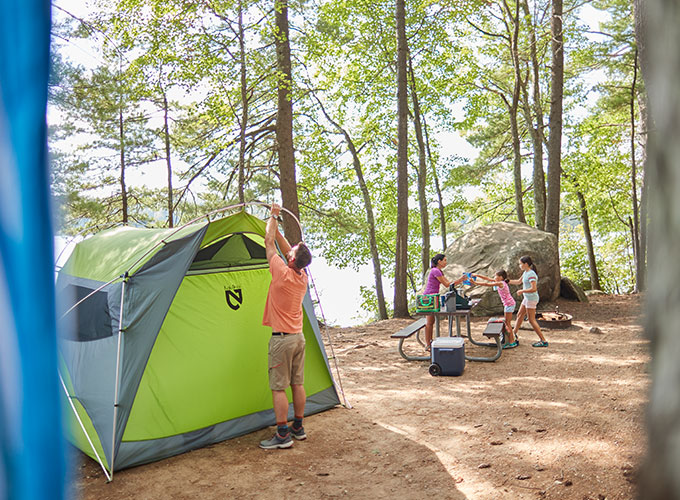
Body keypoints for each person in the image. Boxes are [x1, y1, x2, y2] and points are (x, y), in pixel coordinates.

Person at [259, 203, 313, 449]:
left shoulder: (281, 272)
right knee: (297, 383)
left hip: (281, 340)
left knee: (278, 387)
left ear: (290, 259)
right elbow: (282, 244)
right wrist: (278, 226)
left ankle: (282, 435)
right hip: (298, 338)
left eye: (291, 252)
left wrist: (273, 215)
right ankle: (298, 427)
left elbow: (269, 242)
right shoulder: (302, 277)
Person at [422, 254, 465, 351]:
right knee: (429, 322)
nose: (446, 262)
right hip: (429, 297)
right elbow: (447, 284)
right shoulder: (435, 271)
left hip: (433, 296)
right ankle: (428, 344)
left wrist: (459, 281)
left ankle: (429, 342)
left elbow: (448, 283)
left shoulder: (438, 271)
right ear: (439, 261)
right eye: (444, 260)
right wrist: (460, 280)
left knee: (431, 321)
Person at [509, 256, 548, 347]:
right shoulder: (525, 273)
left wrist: (522, 291)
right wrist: (507, 281)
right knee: (519, 315)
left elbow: (533, 288)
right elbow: (518, 282)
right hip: (527, 298)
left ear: (526, 264)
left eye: (520, 264)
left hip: (531, 299)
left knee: (531, 320)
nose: (519, 266)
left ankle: (543, 340)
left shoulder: (531, 274)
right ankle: (514, 334)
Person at [471, 270, 518, 348]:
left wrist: (476, 283)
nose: (494, 277)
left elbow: (487, 284)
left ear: (500, 277)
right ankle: (511, 340)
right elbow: (487, 279)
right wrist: (477, 275)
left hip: (509, 304)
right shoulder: (500, 281)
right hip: (508, 304)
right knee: (507, 323)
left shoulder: (501, 283)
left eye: (496, 276)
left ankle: (512, 342)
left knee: (507, 323)